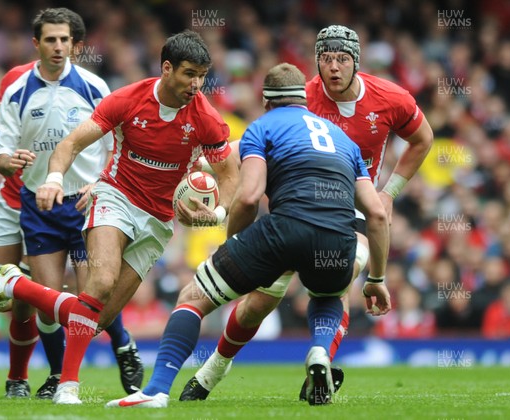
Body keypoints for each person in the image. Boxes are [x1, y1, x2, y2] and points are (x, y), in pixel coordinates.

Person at [0, 30, 239, 405]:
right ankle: (68, 386)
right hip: (116, 196)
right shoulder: (127, 99)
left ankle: (16, 286)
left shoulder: (206, 118)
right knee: (101, 282)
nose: (196, 84)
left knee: (93, 319)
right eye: (189, 74)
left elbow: (229, 173)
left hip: (158, 220)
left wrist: (219, 213)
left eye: (202, 76)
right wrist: (53, 178)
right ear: (166, 68)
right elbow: (70, 144)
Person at [106, 62, 390, 408]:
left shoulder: (263, 127)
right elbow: (376, 214)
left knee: (194, 296)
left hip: (285, 228)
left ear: (267, 101)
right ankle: (319, 348)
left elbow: (250, 195)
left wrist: (232, 245)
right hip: (338, 237)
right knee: (329, 294)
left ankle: (156, 391)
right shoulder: (344, 140)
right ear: (304, 99)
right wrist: (377, 277)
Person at [180, 24, 433, 401]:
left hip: (353, 206)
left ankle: (319, 363)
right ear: (316, 61)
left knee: (342, 278)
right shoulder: (302, 96)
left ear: (356, 63)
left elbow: (423, 139)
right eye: (326, 59)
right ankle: (213, 370)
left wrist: (389, 192)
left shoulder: (390, 98)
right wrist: (207, 160)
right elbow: (259, 135)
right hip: (295, 207)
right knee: (261, 303)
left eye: (342, 59)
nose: (333, 68)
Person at [0, 8, 143, 399]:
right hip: (38, 205)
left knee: (91, 302)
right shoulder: (16, 91)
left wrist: (103, 183)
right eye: (50, 39)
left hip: (87, 203)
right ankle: (58, 377)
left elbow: (120, 141)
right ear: (36, 43)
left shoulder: (94, 86)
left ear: (75, 44)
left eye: (65, 39)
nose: (58, 46)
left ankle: (123, 346)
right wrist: (7, 161)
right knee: (51, 306)